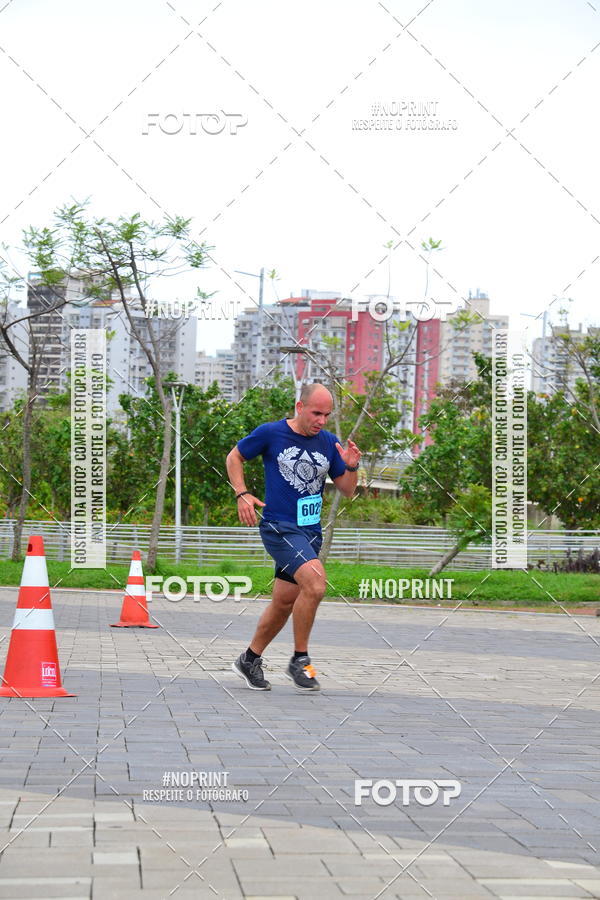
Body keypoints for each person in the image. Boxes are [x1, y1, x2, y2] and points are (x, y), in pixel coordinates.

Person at [225, 383, 361, 692]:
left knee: (285, 601)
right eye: (316, 413)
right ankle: (300, 660)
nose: (322, 421)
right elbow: (234, 457)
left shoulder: (329, 443)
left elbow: (348, 490)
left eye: (327, 415)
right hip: (279, 527)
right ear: (299, 407)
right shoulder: (271, 433)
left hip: (309, 533)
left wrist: (352, 466)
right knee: (315, 584)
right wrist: (242, 494)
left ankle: (249, 659)